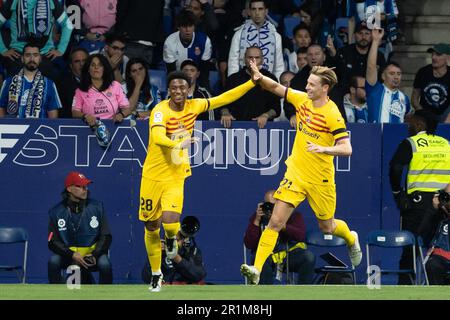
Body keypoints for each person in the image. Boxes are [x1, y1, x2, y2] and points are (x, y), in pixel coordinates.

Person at [240, 58, 362, 285]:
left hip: (320, 178)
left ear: (324, 88)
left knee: (327, 226)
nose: (306, 87)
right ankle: (256, 269)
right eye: (307, 83)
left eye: (312, 84)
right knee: (275, 222)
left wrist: (324, 148)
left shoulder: (332, 113)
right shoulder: (302, 99)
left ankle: (350, 237)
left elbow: (347, 148)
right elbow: (276, 87)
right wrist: (258, 76)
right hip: (295, 173)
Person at [139, 71, 256, 292]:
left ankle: (172, 238)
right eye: (174, 87)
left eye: (182, 87)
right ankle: (156, 274)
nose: (178, 91)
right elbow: (157, 137)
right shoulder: (159, 111)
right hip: (152, 175)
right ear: (169, 90)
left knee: (170, 221)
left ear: (188, 89)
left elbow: (224, 98)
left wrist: (251, 82)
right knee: (151, 226)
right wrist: (177, 145)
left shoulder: (195, 105)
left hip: (176, 173)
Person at [389, 109, 450, 284]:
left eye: (411, 122)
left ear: (419, 124)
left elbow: (395, 168)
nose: (409, 126)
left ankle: (405, 289)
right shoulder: (446, 144)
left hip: (417, 205)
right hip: (443, 204)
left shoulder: (412, 143)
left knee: (411, 250)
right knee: (440, 250)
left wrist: (398, 194)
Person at [47, 171, 113, 284]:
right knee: (54, 261)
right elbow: (52, 242)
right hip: (68, 256)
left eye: (85, 186)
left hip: (92, 256)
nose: (84, 189)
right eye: (80, 186)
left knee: (105, 264)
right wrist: (72, 255)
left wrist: (95, 254)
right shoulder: (56, 212)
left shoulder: (97, 207)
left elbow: (106, 236)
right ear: (69, 189)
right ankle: (55, 294)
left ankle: (105, 295)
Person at [244, 190, 316, 284]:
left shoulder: (293, 215)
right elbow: (249, 244)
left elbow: (300, 236)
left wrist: (282, 224)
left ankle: (304, 293)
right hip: (267, 256)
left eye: (274, 205)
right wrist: (256, 221)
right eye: (268, 204)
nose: (271, 208)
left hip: (288, 254)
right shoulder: (258, 217)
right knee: (257, 259)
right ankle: (265, 294)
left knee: (308, 257)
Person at [0, 0, 73, 79]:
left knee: (45, 89)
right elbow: (68, 24)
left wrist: (61, 49)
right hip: (19, 55)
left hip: (44, 55)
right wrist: (2, 49)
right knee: (17, 90)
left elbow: (67, 24)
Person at [220, 46, 281, 128]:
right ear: (244, 59)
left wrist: (266, 115)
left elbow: (276, 108)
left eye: (257, 58)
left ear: (262, 60)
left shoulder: (270, 79)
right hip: (235, 127)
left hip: (263, 128)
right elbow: (222, 103)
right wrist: (225, 113)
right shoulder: (233, 79)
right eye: (250, 57)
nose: (253, 60)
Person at [0, 42, 61, 118]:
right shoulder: (8, 82)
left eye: (35, 55)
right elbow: (1, 107)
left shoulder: (49, 84)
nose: (32, 59)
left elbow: (53, 115)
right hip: (13, 129)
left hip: (39, 129)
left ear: (40, 59)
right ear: (22, 58)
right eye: (28, 55)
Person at [227, 0, 285, 79]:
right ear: (249, 11)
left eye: (260, 9)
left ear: (266, 11)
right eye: (254, 9)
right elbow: (233, 63)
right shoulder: (239, 34)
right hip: (243, 80)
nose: (257, 13)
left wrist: (277, 86)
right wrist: (233, 83)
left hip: (268, 82)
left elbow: (279, 66)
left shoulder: (275, 36)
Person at [142, 215, 206, 285]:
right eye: (171, 239)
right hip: (164, 290)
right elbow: (146, 277)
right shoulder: (160, 252)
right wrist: (155, 254)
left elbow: (198, 275)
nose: (174, 243)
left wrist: (178, 259)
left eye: (178, 239)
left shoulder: (191, 251)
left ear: (184, 241)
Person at [72, 53, 131, 127]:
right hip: (90, 129)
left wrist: (121, 115)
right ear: (88, 70)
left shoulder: (115, 85)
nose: (96, 67)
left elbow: (127, 109)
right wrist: (85, 116)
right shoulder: (80, 91)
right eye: (93, 65)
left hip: (114, 126)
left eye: (100, 65)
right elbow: (74, 112)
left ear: (104, 69)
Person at [365, 28, 410, 123]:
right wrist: (375, 41)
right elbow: (371, 67)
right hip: (375, 136)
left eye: (399, 74)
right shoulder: (375, 89)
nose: (396, 77)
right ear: (383, 76)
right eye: (392, 73)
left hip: (396, 137)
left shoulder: (404, 98)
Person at [163, 9, 212, 88]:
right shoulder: (169, 42)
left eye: (190, 26)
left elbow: (204, 71)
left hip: (198, 81)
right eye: (184, 26)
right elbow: (171, 72)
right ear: (178, 27)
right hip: (177, 82)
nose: (188, 30)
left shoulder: (205, 41)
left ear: (194, 26)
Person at [411, 43, 450, 122]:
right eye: (432, 54)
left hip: (445, 114)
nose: (433, 57)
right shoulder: (423, 72)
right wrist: (421, 111)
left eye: (438, 55)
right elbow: (414, 98)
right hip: (425, 112)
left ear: (448, 57)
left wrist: (447, 122)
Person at [425, 184, 450, 285]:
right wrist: (434, 209)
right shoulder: (439, 216)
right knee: (432, 265)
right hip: (442, 255)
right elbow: (422, 231)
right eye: (446, 196)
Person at [56, 47, 89, 118]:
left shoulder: (98, 81)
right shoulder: (62, 84)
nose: (82, 64)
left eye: (84, 60)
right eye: (77, 61)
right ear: (71, 65)